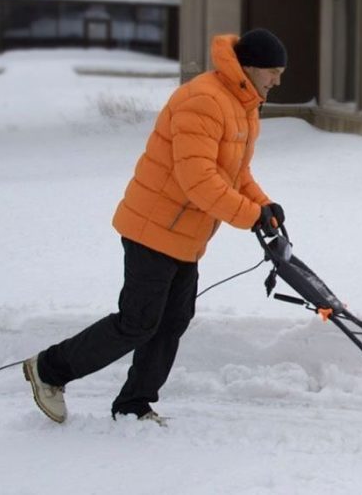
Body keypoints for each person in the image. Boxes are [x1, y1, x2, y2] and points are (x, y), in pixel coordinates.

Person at [22, 29, 289, 426]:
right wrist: (249, 215)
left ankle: (134, 404)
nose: (277, 80)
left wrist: (262, 204)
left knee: (172, 321)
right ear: (249, 67)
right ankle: (48, 370)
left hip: (186, 234)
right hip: (153, 227)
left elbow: (234, 171)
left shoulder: (243, 104)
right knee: (137, 322)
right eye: (273, 72)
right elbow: (197, 179)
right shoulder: (204, 99)